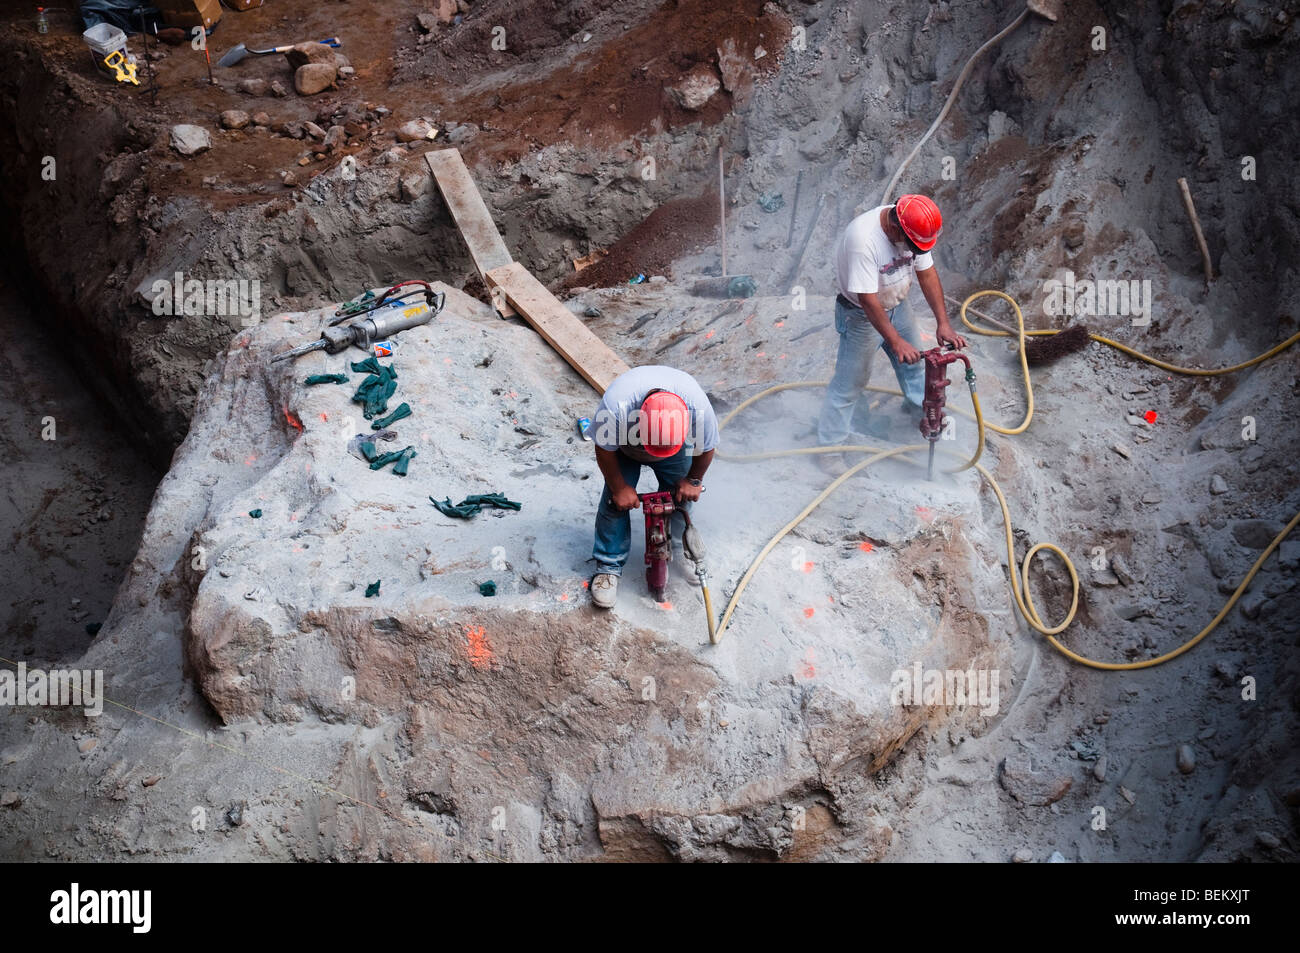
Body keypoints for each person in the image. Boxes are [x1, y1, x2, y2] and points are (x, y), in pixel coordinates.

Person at [816, 193, 967, 475]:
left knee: (915, 369)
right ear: (897, 229)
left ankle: (922, 416)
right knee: (850, 383)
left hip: (898, 305)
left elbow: (927, 274)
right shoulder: (864, 240)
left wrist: (943, 323)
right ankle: (829, 449)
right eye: (913, 246)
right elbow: (867, 300)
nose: (916, 252)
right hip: (860, 315)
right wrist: (895, 341)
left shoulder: (915, 227)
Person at [588, 365, 718, 608]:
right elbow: (604, 450)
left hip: (674, 447)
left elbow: (707, 447)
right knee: (614, 503)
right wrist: (619, 488)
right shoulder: (616, 404)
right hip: (625, 445)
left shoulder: (697, 406)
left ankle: (681, 550)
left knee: (682, 499)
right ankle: (608, 566)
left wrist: (693, 481)